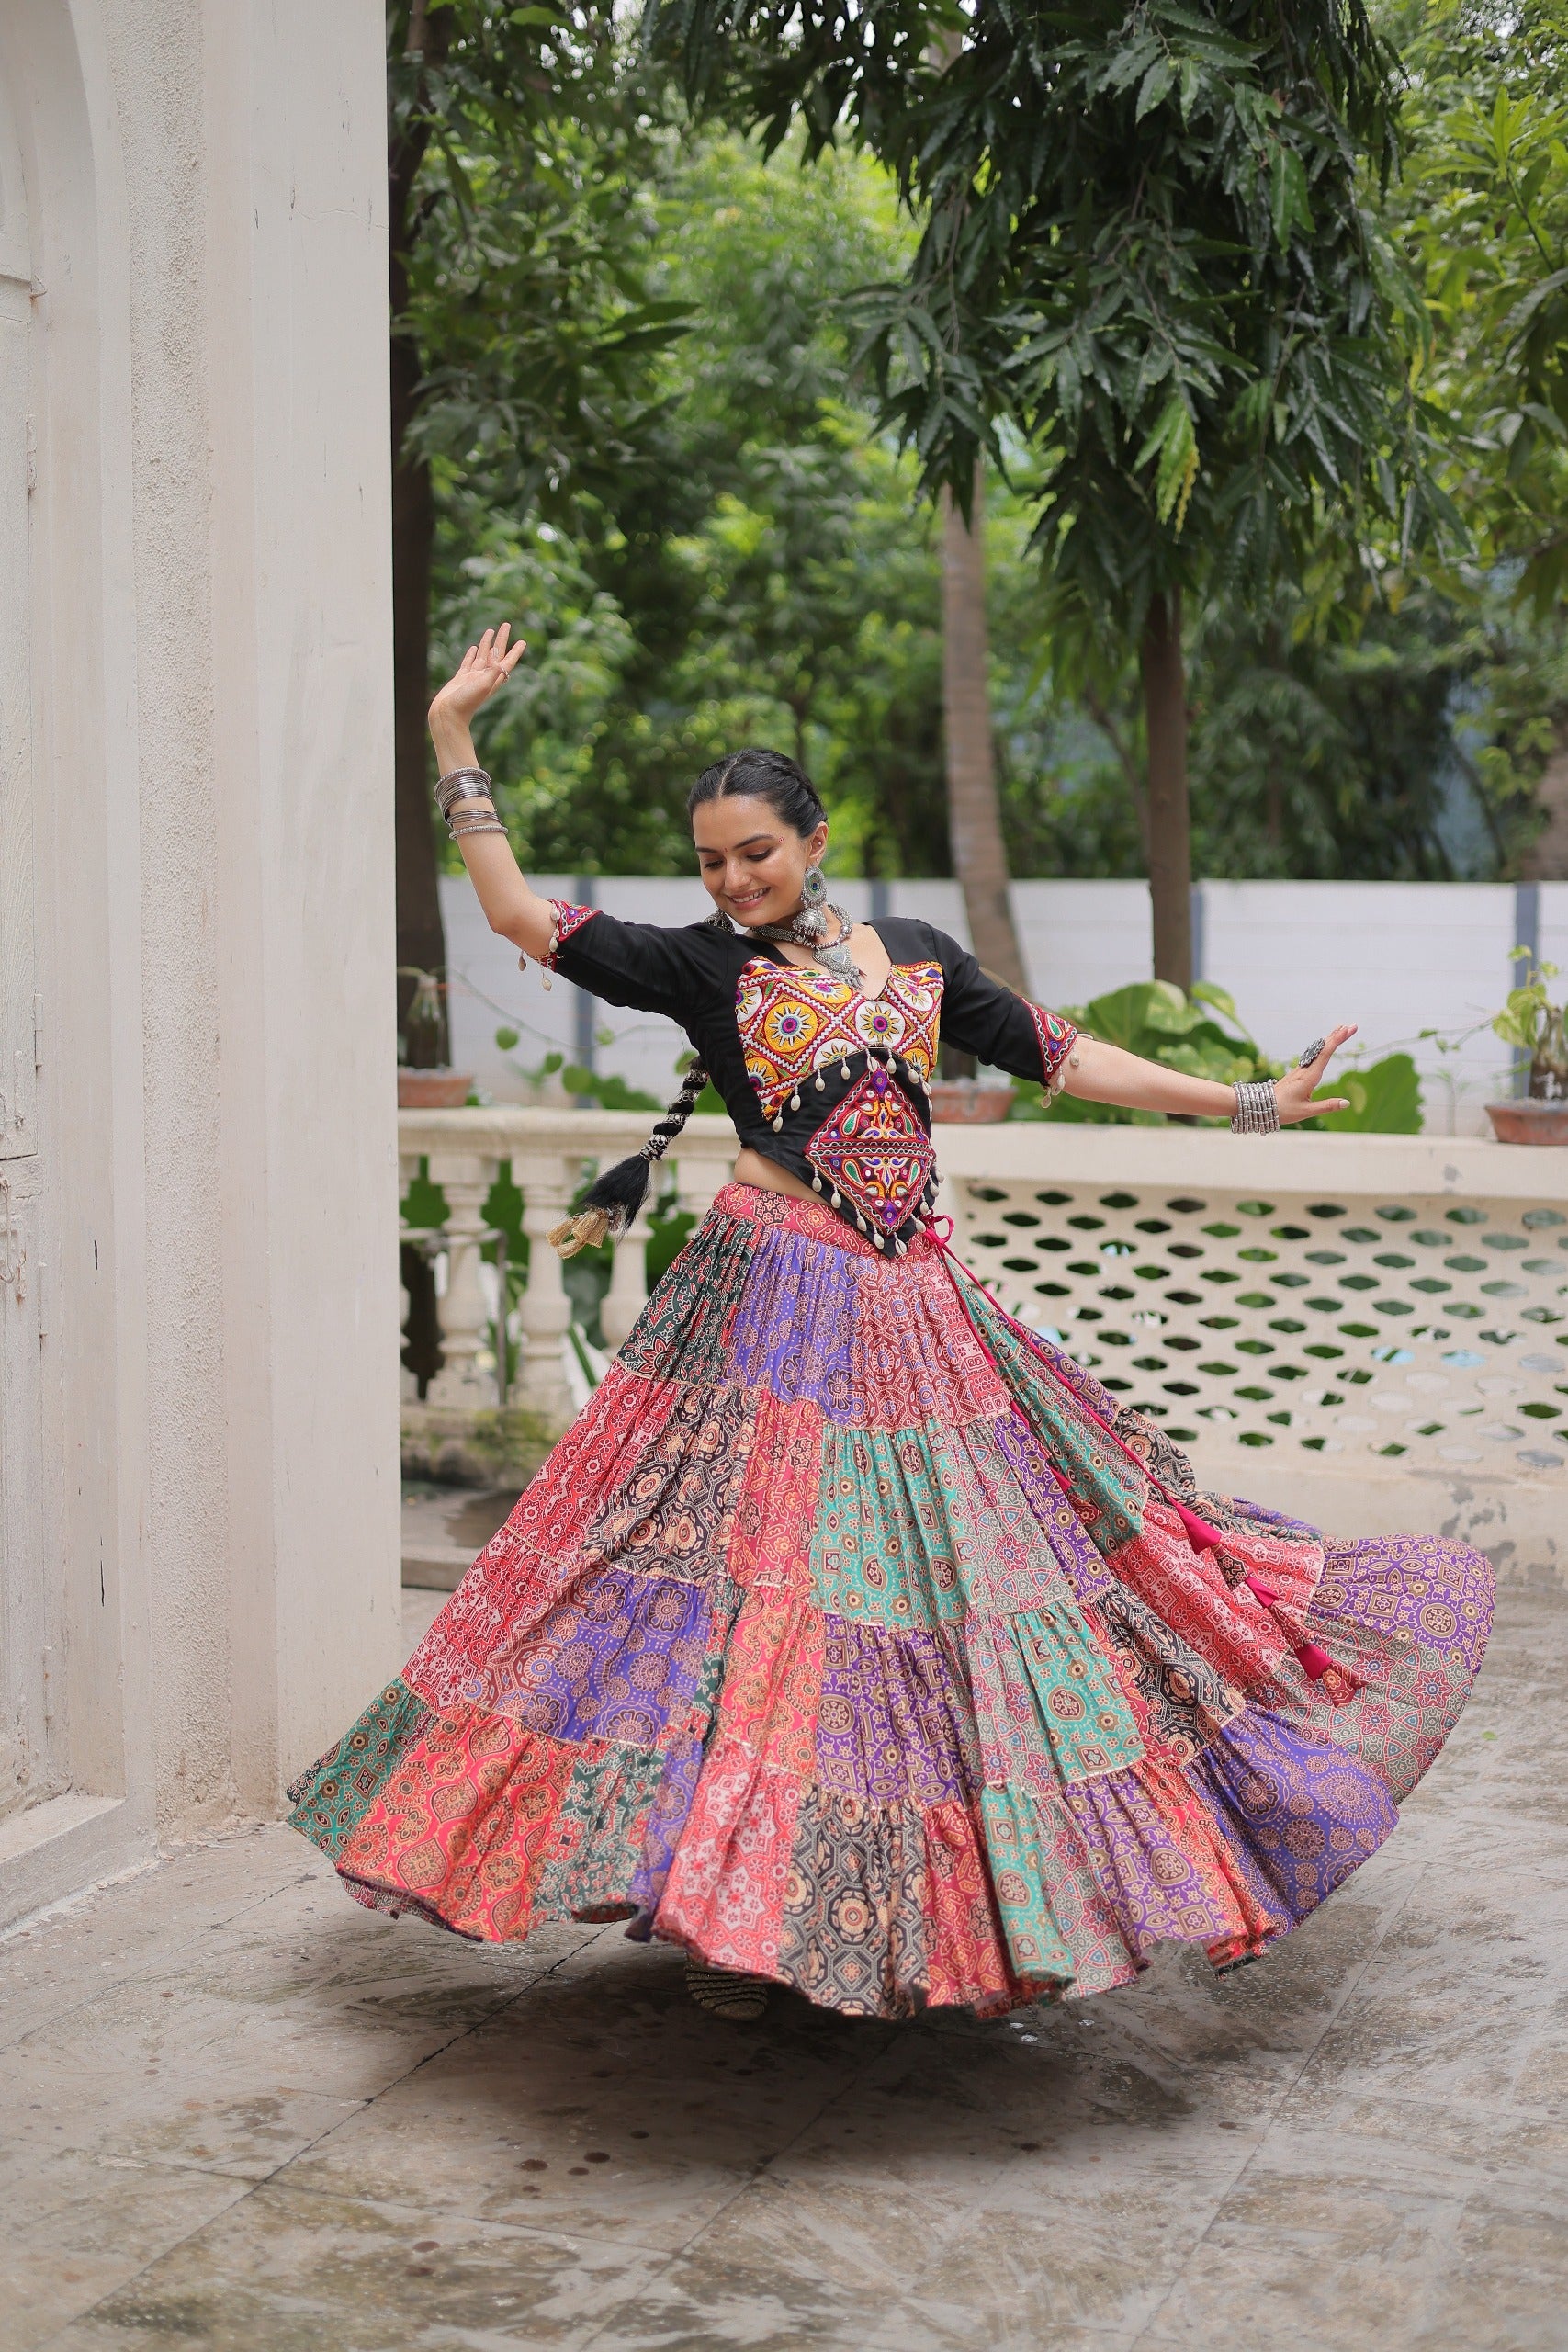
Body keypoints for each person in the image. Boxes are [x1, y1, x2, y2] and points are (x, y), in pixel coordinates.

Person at [289, 626, 1494, 2025]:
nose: (735, 879)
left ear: (814, 837)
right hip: (758, 1315)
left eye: (757, 851)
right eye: (711, 861)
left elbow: (1064, 1055)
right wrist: (453, 740)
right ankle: (726, 1905)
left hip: (915, 1311)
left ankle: (854, 1905)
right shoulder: (701, 969)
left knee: (924, 1607)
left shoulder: (914, 961)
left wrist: (1246, 1102)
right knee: (738, 1600)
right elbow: (516, 917)